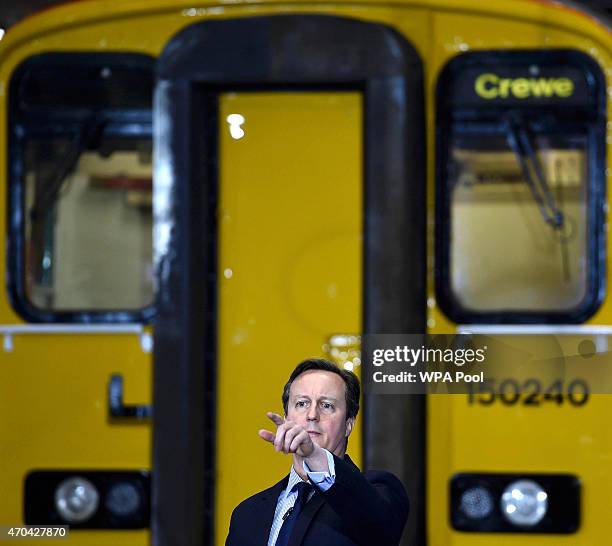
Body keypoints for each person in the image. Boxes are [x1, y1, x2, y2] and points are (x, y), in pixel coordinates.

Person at [225, 358, 409, 546]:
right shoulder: (247, 514)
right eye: (302, 404)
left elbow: (381, 530)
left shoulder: (379, 492)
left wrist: (314, 455)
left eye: (326, 405)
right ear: (287, 417)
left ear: (348, 424)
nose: (312, 415)